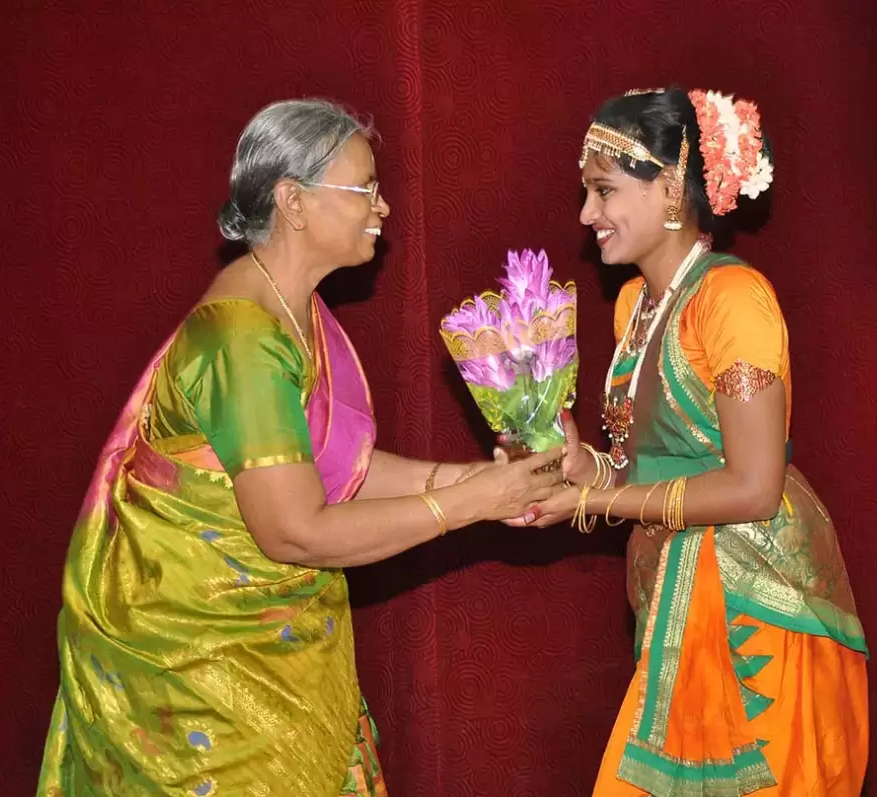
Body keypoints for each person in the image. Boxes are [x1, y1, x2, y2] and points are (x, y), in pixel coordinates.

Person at [36, 98, 562, 797]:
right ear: (293, 201)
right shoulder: (242, 339)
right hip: (208, 681)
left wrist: (475, 483)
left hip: (270, 652)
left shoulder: (292, 310)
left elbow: (341, 471)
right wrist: (472, 503)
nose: (383, 207)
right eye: (364, 188)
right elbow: (294, 531)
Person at [515, 88, 869, 795]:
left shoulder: (733, 300)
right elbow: (649, 463)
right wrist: (588, 467)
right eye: (586, 192)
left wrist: (598, 502)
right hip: (676, 604)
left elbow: (753, 487)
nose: (586, 214)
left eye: (604, 191)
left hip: (757, 615)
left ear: (671, 189)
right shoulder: (635, 305)